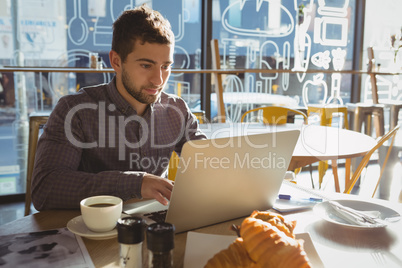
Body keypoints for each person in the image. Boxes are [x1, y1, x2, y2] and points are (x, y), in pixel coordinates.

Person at [31, 5, 206, 210]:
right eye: (146, 65)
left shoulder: (177, 110)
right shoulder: (75, 111)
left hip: (155, 228)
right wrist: (136, 183)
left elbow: (206, 159)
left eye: (165, 66)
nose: (159, 79)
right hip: (92, 231)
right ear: (116, 61)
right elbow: (45, 189)